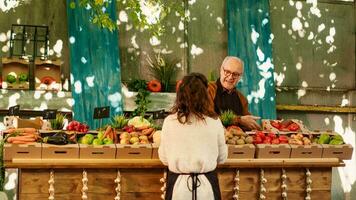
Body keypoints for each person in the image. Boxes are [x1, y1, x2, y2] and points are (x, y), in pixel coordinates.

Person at [159, 72, 228, 200]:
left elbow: (164, 158)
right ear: (205, 95)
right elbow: (222, 158)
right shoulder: (214, 121)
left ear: (180, 95)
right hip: (207, 189)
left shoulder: (169, 121)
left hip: (178, 190)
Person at [208, 56, 261, 131]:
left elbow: (247, 124)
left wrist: (252, 125)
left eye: (235, 74)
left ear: (240, 77)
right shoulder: (208, 90)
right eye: (227, 72)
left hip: (235, 140)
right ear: (221, 70)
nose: (230, 77)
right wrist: (239, 120)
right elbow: (208, 118)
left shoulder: (241, 98)